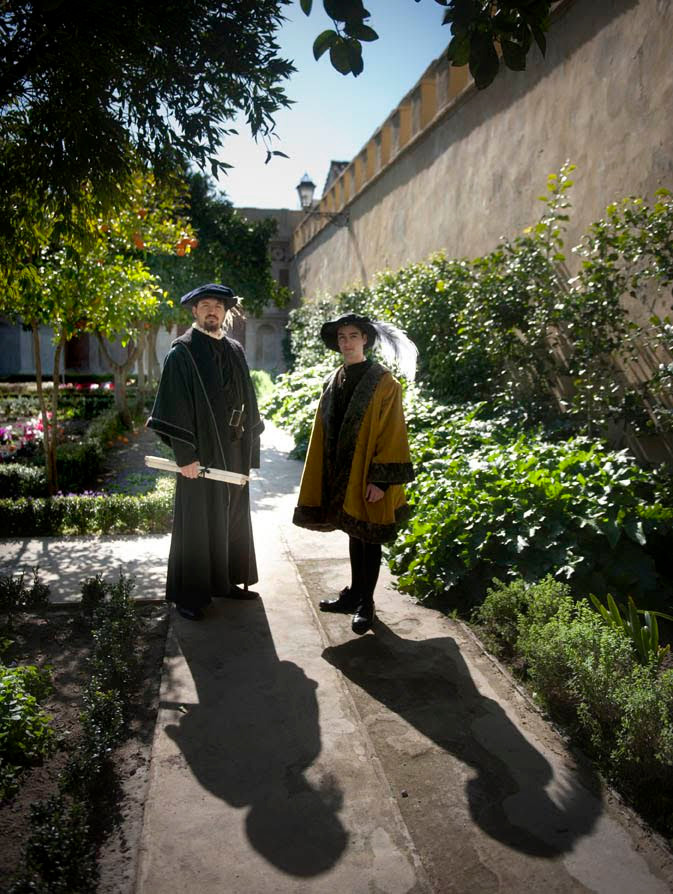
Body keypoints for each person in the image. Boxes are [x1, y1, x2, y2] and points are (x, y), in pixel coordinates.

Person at [293, 312, 415, 635]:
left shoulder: (384, 382)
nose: (346, 342)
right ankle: (354, 593)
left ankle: (367, 603)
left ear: (365, 340)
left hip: (368, 475)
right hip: (342, 474)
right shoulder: (334, 379)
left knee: (369, 536)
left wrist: (380, 479)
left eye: (353, 336)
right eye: (342, 337)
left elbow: (392, 432)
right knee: (353, 531)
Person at [147, 283, 263, 621]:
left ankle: (226, 582)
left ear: (226, 311)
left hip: (234, 453)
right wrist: (185, 456)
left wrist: (249, 452)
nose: (212, 310)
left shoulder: (235, 350)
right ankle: (192, 596)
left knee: (233, 518)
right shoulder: (181, 353)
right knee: (198, 524)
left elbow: (249, 401)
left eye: (218, 305)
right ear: (194, 311)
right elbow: (174, 406)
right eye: (205, 305)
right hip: (201, 456)